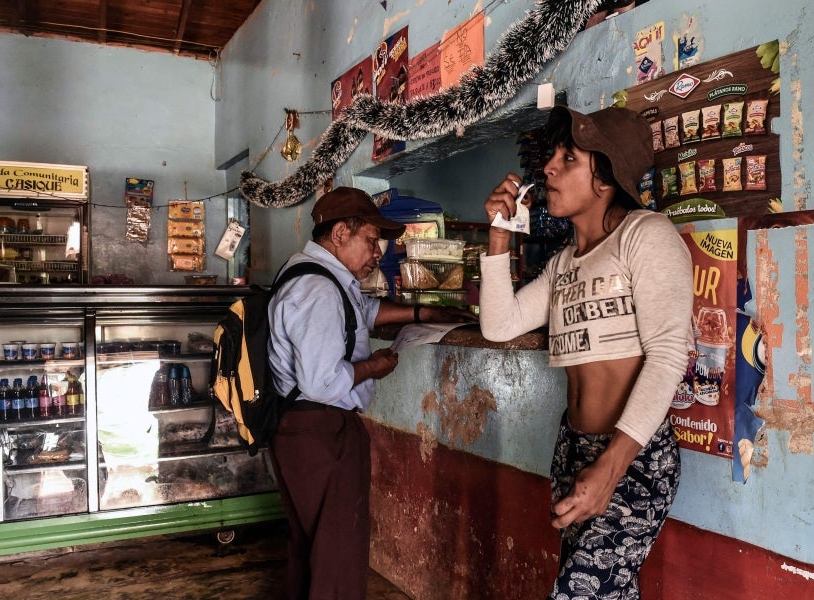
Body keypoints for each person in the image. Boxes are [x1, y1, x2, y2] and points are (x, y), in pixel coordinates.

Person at [478, 106, 694, 599]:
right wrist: (497, 235)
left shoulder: (646, 236)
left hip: (633, 454)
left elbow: (666, 356)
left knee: (579, 591)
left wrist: (613, 464)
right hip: (574, 448)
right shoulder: (563, 265)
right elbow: (500, 324)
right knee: (606, 591)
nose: (549, 167)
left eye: (567, 158)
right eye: (551, 156)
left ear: (604, 177)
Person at [267, 186, 475, 600]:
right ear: (342, 233)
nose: (378, 252)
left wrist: (423, 312)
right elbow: (322, 383)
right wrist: (374, 367)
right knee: (339, 555)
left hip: (301, 429)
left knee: (313, 547)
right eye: (371, 240)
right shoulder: (320, 290)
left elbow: (362, 312)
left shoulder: (311, 272)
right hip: (323, 432)